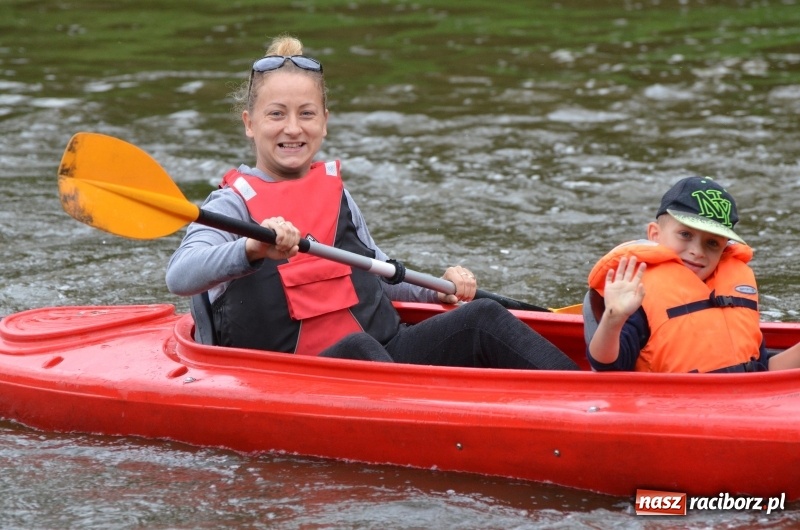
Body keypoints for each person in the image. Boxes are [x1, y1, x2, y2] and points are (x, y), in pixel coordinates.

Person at [165, 35, 578, 371]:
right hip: (294, 378)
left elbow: (377, 270)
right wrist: (251, 248)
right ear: (249, 124)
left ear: (325, 122)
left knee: (481, 317)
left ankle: (589, 400)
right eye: (276, 114)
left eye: (306, 114)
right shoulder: (232, 204)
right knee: (357, 347)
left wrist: (437, 292)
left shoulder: (335, 192)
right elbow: (180, 277)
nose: (293, 128)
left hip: (383, 355)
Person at [585, 175, 800, 373]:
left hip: (740, 403)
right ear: (655, 235)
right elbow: (606, 364)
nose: (697, 251)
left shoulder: (736, 291)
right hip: (671, 407)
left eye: (712, 243)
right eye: (685, 234)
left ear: (724, 249)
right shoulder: (635, 293)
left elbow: (763, 371)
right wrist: (613, 319)